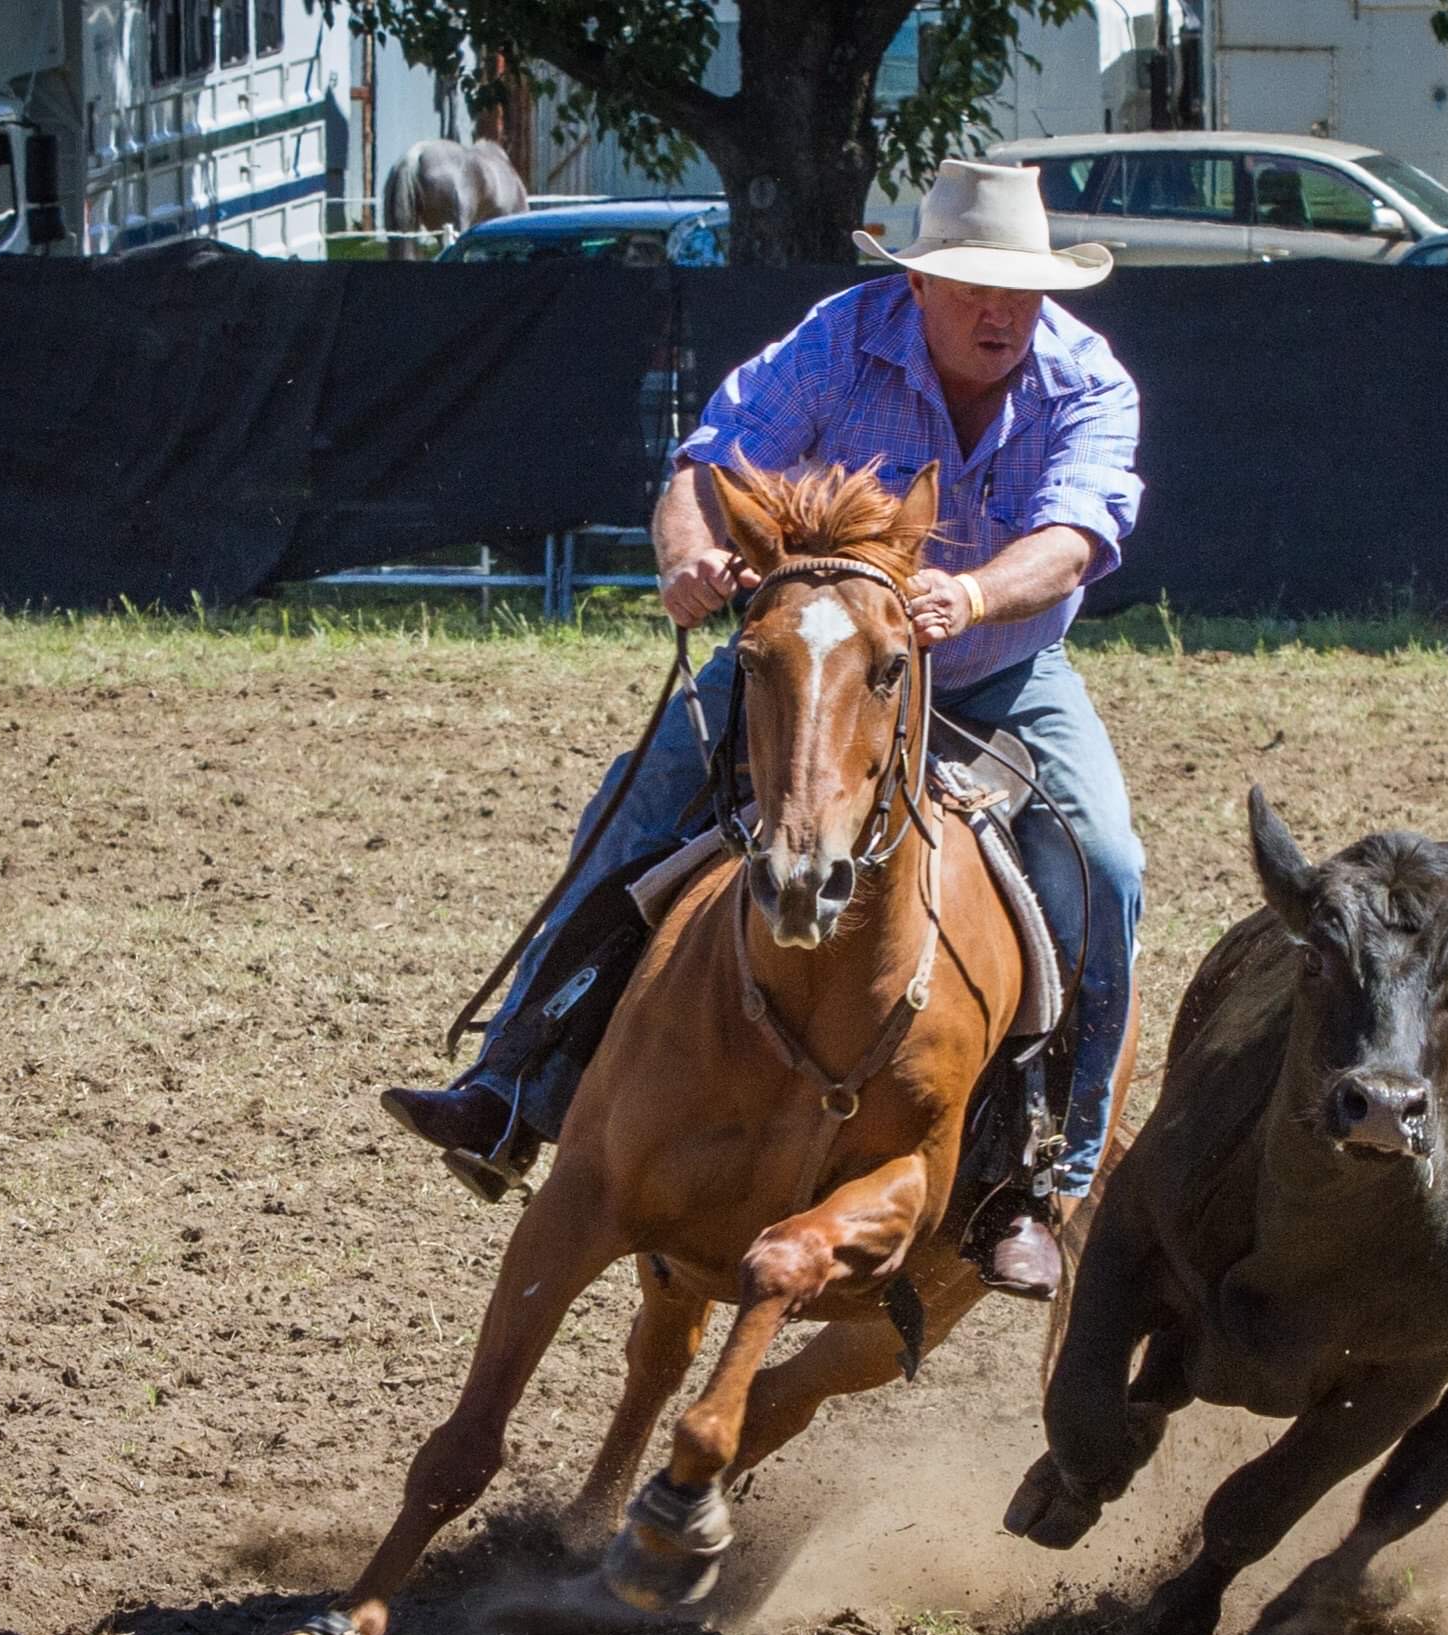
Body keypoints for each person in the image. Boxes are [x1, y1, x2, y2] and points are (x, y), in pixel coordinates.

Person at [386, 159, 1144, 1302]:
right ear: (919, 283)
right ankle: (512, 1086)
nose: (1001, 311)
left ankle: (1043, 1181)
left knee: (1106, 865)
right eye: (974, 286)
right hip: (817, 673)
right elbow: (708, 462)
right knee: (643, 795)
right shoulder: (840, 341)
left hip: (997, 673)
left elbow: (1079, 533)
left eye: (1020, 289)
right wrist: (688, 557)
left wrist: (974, 595)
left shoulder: (1085, 380)